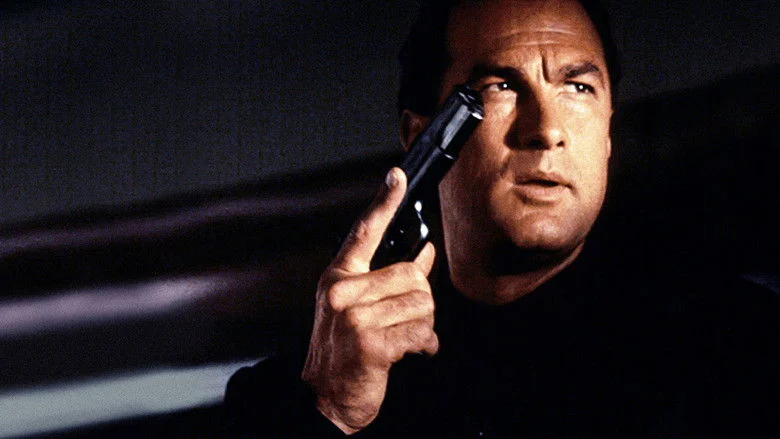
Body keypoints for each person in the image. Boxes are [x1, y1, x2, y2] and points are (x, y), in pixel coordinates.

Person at [225, 0, 779, 437]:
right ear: (421, 136)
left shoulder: (741, 345)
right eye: (502, 87)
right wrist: (333, 414)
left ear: (608, 133)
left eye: (579, 87)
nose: (547, 129)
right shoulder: (293, 398)